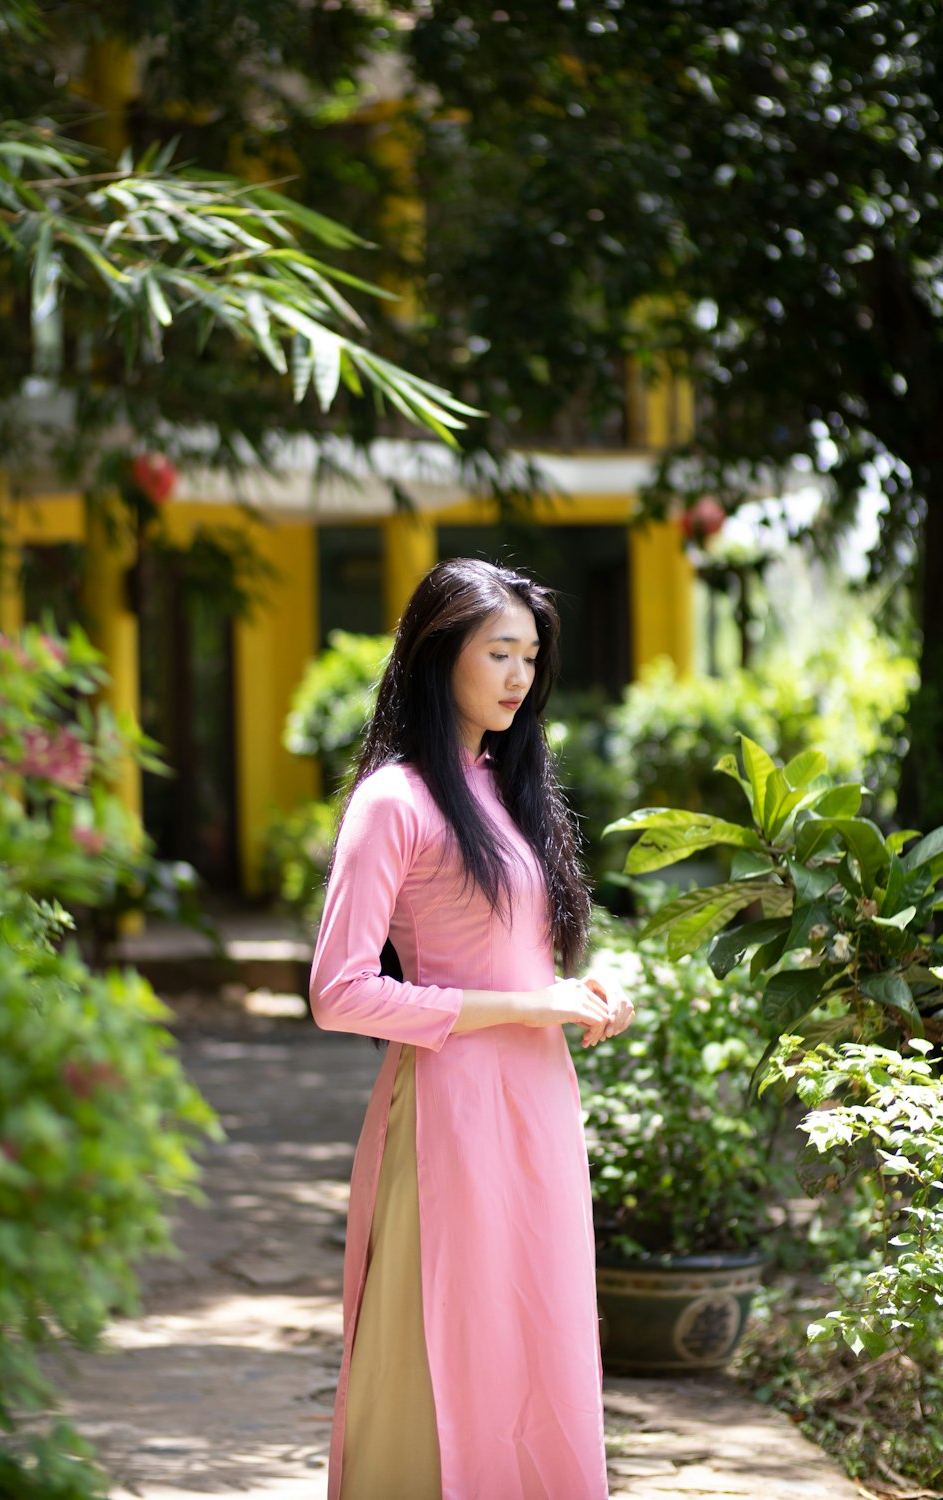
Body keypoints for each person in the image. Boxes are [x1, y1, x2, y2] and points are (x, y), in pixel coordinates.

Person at [309, 557, 635, 1500]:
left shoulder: (508, 786)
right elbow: (339, 992)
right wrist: (531, 1006)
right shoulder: (393, 803)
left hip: (536, 1098)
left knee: (542, 1338)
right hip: (450, 1110)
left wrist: (577, 992)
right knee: (453, 1342)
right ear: (439, 650)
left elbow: (518, 959)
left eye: (530, 657)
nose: (518, 676)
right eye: (499, 652)